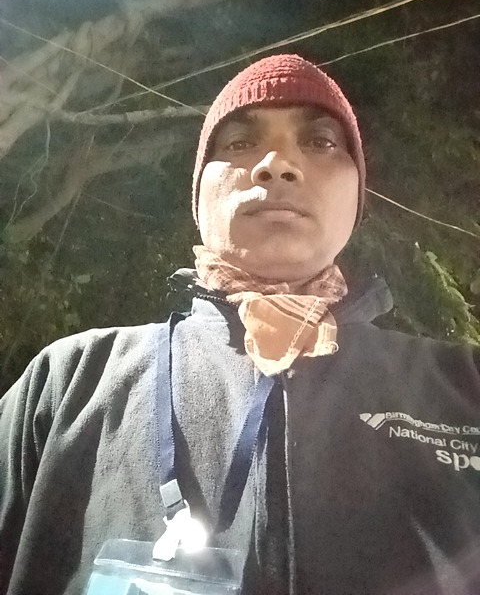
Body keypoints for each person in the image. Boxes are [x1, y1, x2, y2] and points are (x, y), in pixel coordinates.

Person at [1, 53, 480, 595]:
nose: (277, 164)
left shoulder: (466, 386)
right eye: (239, 143)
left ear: (356, 198)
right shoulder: (66, 383)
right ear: (199, 198)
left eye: (321, 141)